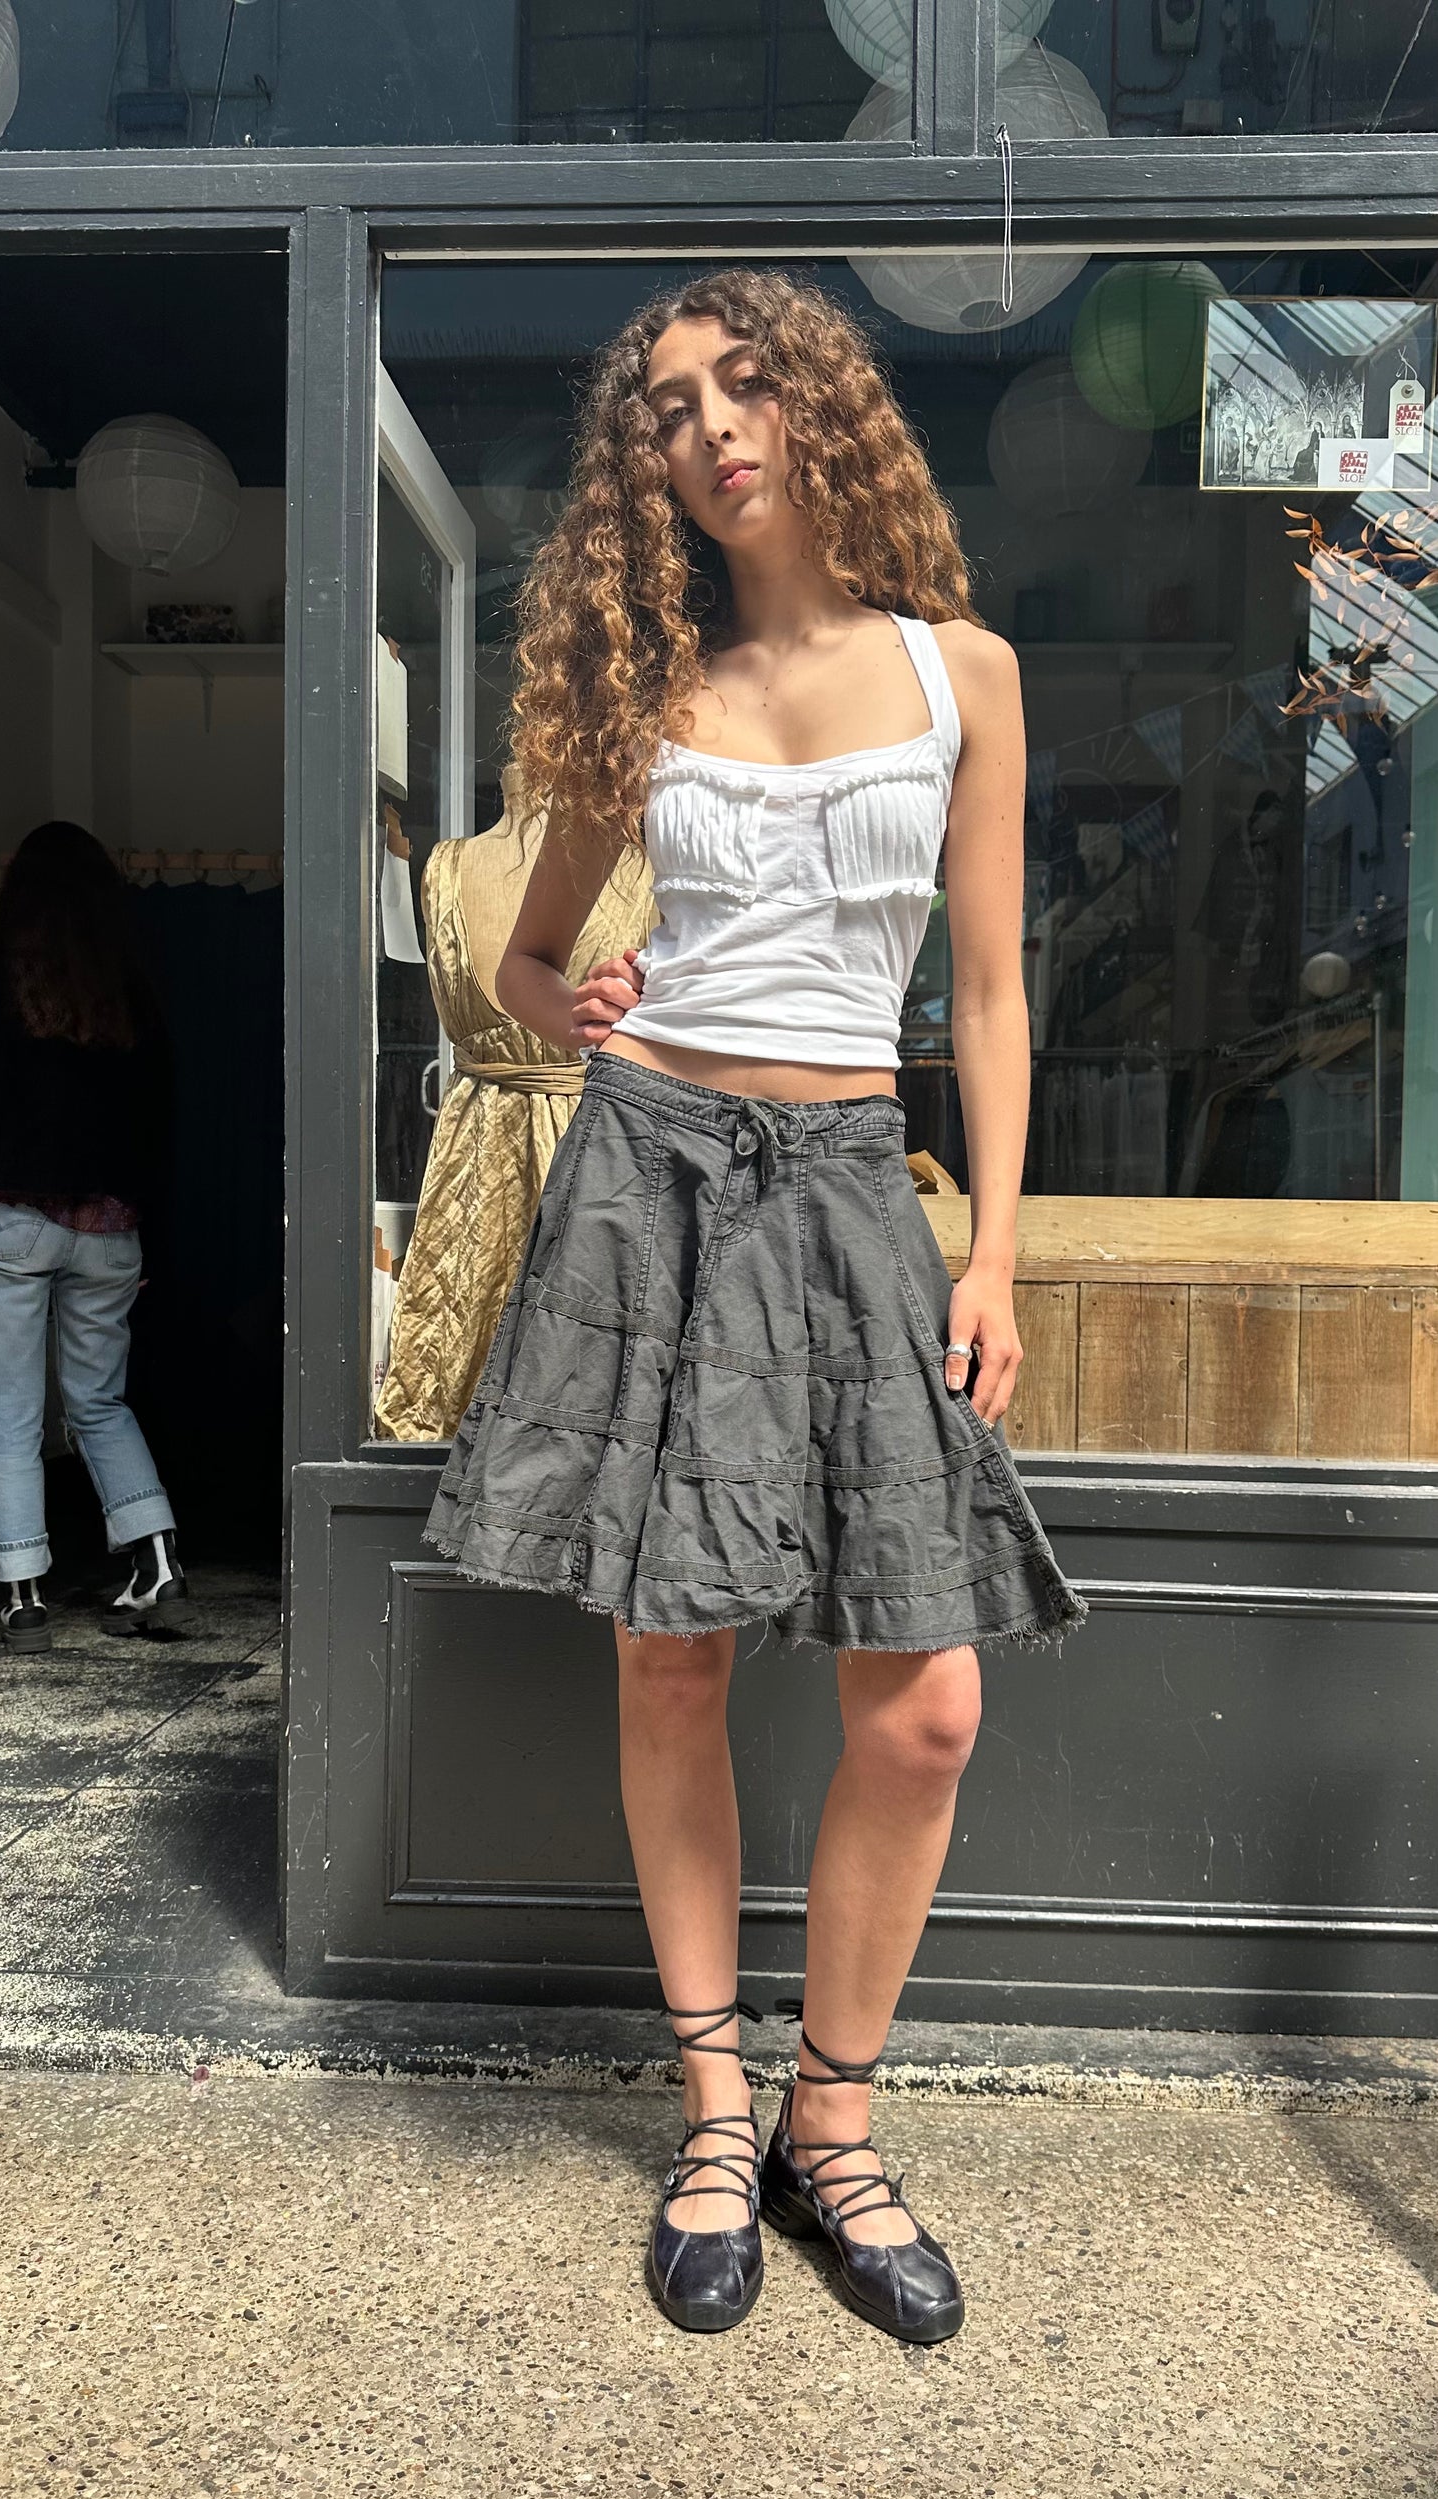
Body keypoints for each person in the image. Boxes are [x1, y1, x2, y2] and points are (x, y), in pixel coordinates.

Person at [425, 268, 1088, 2343]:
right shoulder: (649, 692)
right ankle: (716, 2112)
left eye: (743, 383)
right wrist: (578, 997)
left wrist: (993, 1249)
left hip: (851, 1187)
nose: (709, 424)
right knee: (670, 1659)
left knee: (926, 1700)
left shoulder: (961, 672)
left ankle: (834, 2117)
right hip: (652, 1178)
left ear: (816, 407)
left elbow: (988, 991)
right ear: (647, 465)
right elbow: (523, 963)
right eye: (668, 406)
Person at [0, 822, 190, 1652]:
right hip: (112, 1229)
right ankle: (156, 1561)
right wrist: (151, 1232)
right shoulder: (130, 994)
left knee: (10, 1411)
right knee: (99, 1401)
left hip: (16, 1223)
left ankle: (22, 1596)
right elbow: (160, 1126)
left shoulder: (1, 983)